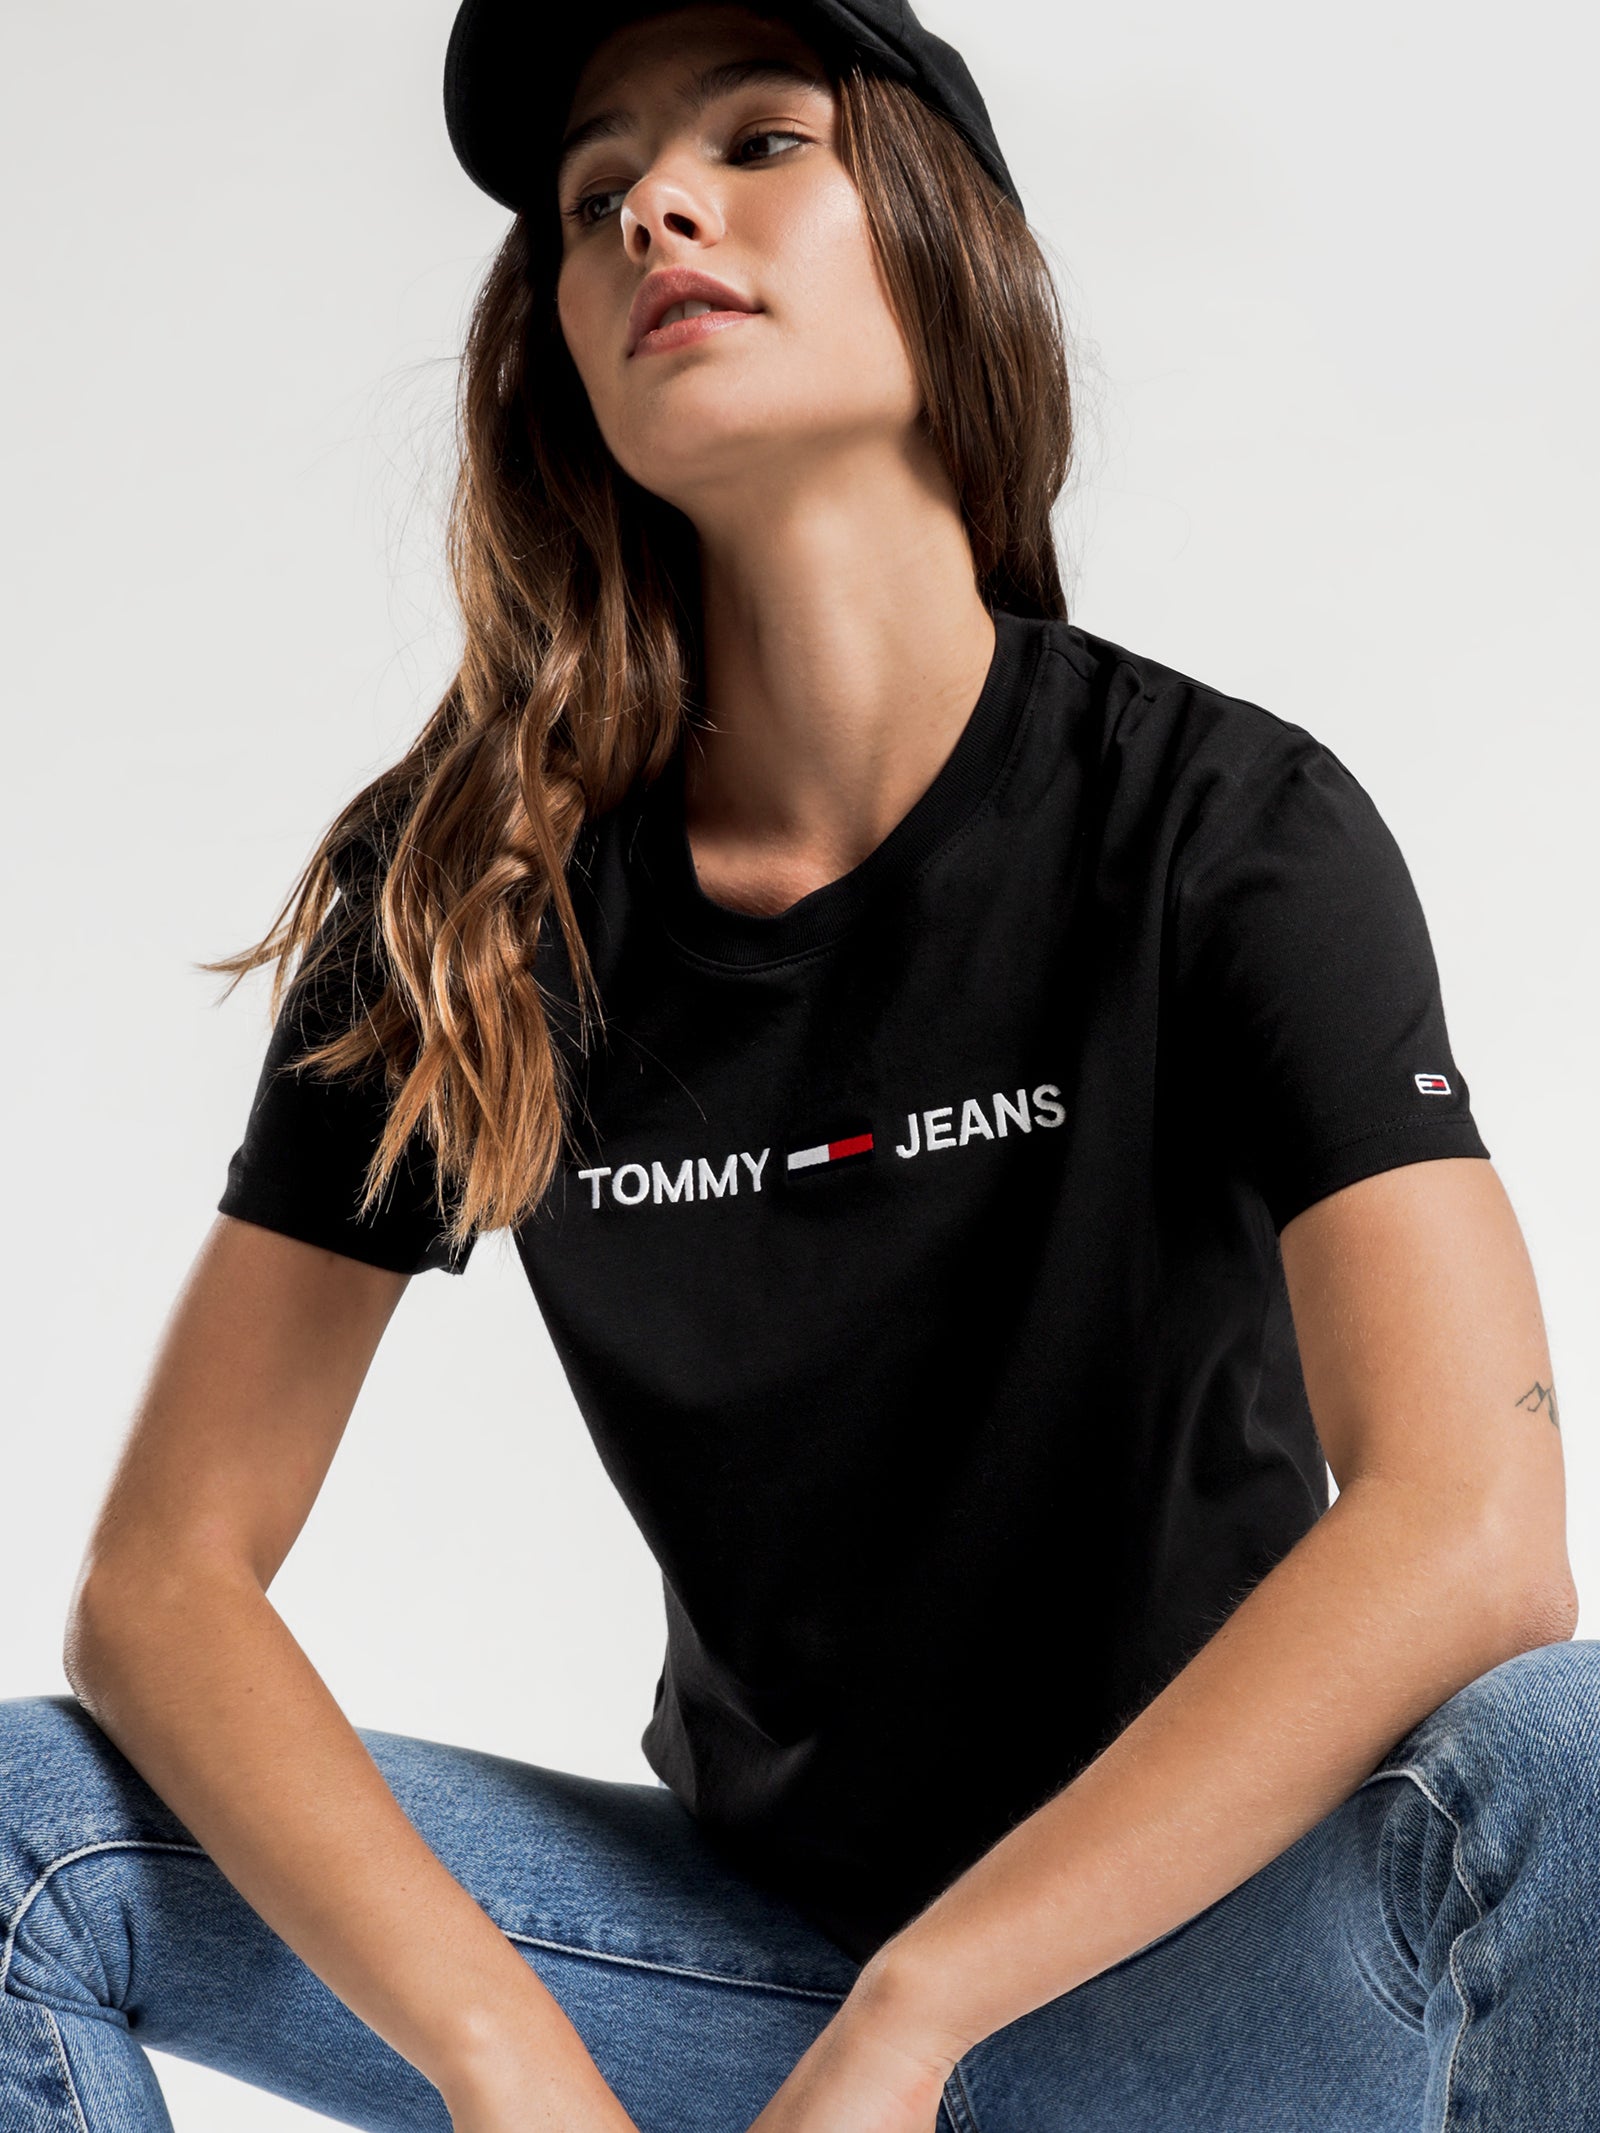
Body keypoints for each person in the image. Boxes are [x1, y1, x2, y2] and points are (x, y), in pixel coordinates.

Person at [2, 0, 1595, 2127]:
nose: (654, 208)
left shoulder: (1218, 830)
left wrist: (922, 2015)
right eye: (595, 191)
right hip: (749, 1980)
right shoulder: (471, 894)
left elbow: (1476, 1528)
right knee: (28, 1830)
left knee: (1572, 1759)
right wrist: (504, 2058)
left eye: (759, 141)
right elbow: (160, 1576)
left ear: (946, 243)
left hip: (1206, 1972)